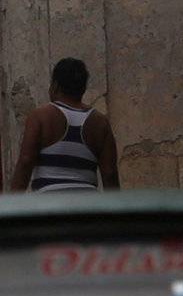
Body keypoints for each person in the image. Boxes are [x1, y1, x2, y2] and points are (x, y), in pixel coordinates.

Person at [10, 56, 121, 193]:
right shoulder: (100, 122)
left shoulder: (40, 116)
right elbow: (109, 173)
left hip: (50, 204)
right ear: (83, 88)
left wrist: (12, 203)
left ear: (55, 86)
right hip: (89, 205)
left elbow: (26, 161)